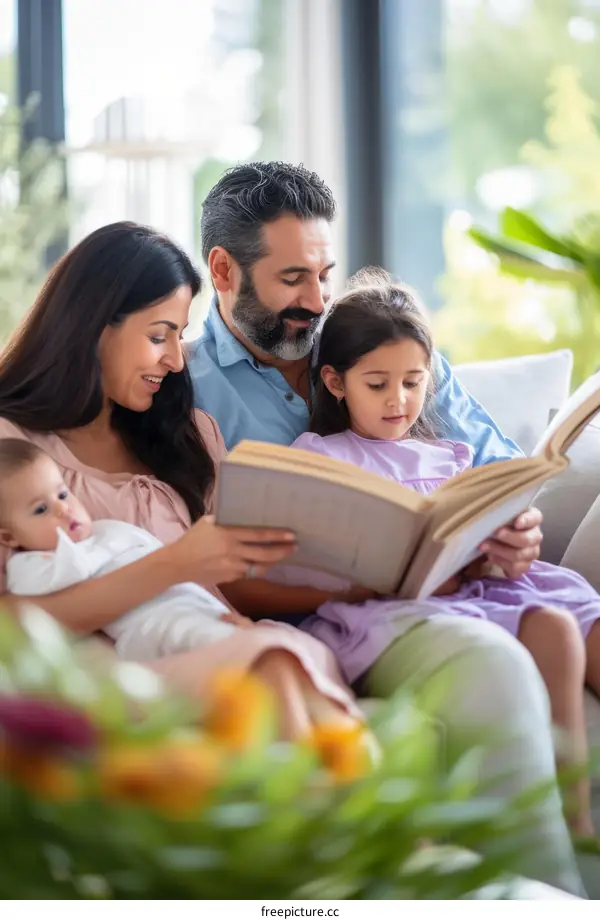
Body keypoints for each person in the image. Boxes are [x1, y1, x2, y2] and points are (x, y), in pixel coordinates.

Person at [188, 161, 586, 893]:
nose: (317, 300)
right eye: (292, 280)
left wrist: (518, 527)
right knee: (492, 659)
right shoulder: (185, 389)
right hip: (355, 614)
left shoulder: (377, 337)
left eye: (325, 273)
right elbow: (208, 564)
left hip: (479, 580)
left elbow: (501, 475)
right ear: (224, 270)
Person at [0, 220, 366, 743]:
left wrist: (360, 584)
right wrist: (175, 564)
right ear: (92, 326)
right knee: (271, 666)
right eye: (158, 336)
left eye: (179, 334)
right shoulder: (11, 447)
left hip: (211, 639)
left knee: (289, 655)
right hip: (103, 679)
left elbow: (231, 586)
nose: (175, 361)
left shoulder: (189, 432)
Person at [279, 269, 600, 835]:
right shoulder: (321, 455)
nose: (399, 400)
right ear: (335, 382)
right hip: (392, 605)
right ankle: (568, 824)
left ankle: (574, 813)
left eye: (413, 381)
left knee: (563, 613)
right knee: (542, 624)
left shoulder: (447, 454)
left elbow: (478, 529)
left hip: (475, 583)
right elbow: (306, 553)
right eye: (377, 384)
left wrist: (502, 541)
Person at [0, 439, 256, 659]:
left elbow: (180, 581)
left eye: (63, 495)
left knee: (261, 642)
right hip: (152, 630)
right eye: (41, 509)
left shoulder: (108, 530)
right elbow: (45, 607)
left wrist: (217, 611)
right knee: (243, 650)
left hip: (196, 609)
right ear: (9, 536)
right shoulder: (33, 565)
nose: (63, 509)